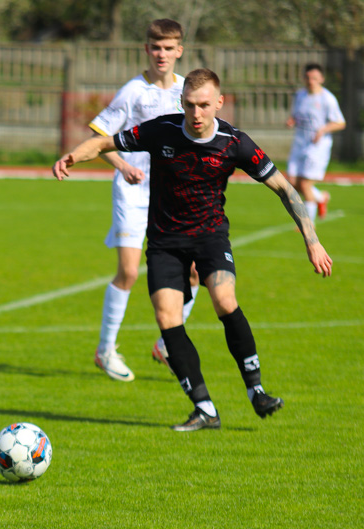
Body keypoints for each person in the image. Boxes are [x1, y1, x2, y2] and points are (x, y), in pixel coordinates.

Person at [53, 68, 332, 431]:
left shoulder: (235, 143)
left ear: (219, 103)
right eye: (189, 105)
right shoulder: (161, 130)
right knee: (168, 319)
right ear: (181, 102)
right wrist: (74, 156)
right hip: (166, 242)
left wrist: (312, 241)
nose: (196, 113)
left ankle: (257, 390)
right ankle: (205, 409)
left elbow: (285, 188)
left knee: (223, 299)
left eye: (204, 105)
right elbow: (106, 142)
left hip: (210, 237)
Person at [86, 19, 200, 382]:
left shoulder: (187, 90)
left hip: (174, 197)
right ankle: (106, 350)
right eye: (155, 48)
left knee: (195, 273)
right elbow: (99, 136)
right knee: (130, 272)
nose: (162, 54)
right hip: (134, 194)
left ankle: (166, 346)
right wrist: (122, 165)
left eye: (169, 48)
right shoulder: (133, 91)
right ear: (146, 50)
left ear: (179, 51)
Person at [286, 63, 346, 222]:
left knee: (305, 184)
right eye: (307, 77)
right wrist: (292, 120)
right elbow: (297, 116)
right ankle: (320, 198)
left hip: (317, 147)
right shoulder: (300, 95)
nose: (310, 81)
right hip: (299, 144)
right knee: (292, 183)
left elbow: (340, 123)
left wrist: (322, 130)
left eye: (314, 78)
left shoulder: (327, 99)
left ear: (321, 79)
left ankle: (309, 224)